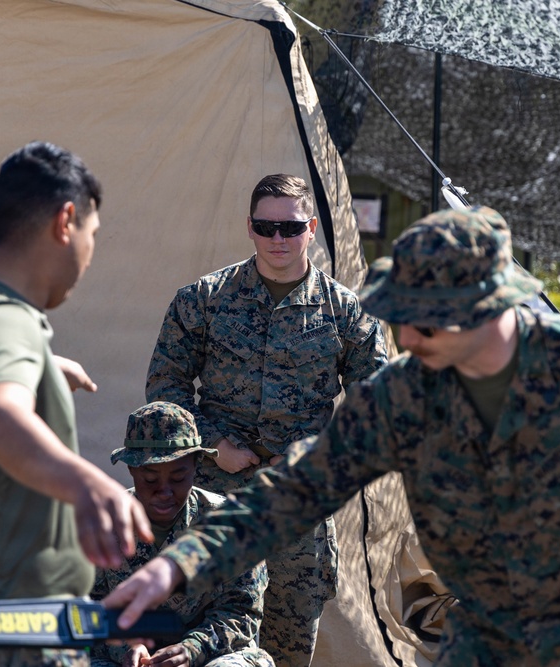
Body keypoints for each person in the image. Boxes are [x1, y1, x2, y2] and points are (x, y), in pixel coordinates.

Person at [106, 206, 560, 665]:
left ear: (483, 312)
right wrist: (180, 561)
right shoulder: (408, 394)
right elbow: (294, 489)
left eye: (422, 323)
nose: (403, 339)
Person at [0, 141, 152, 666]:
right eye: (93, 235)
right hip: (13, 635)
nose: (89, 254)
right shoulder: (2, 318)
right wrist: (89, 485)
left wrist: (39, 365)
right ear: (66, 221)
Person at [145, 173, 388, 665]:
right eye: (266, 226)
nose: (278, 239)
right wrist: (212, 445)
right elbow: (166, 389)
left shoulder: (346, 313)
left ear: (312, 228)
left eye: (291, 228)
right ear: (250, 228)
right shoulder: (202, 300)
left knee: (286, 648)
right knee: (196, 643)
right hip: (211, 505)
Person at [90, 402, 274, 667]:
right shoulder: (102, 523)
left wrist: (193, 648)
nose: (164, 492)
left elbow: (242, 611)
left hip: (211, 655)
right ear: (131, 470)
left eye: (178, 478)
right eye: (150, 480)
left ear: (197, 466)